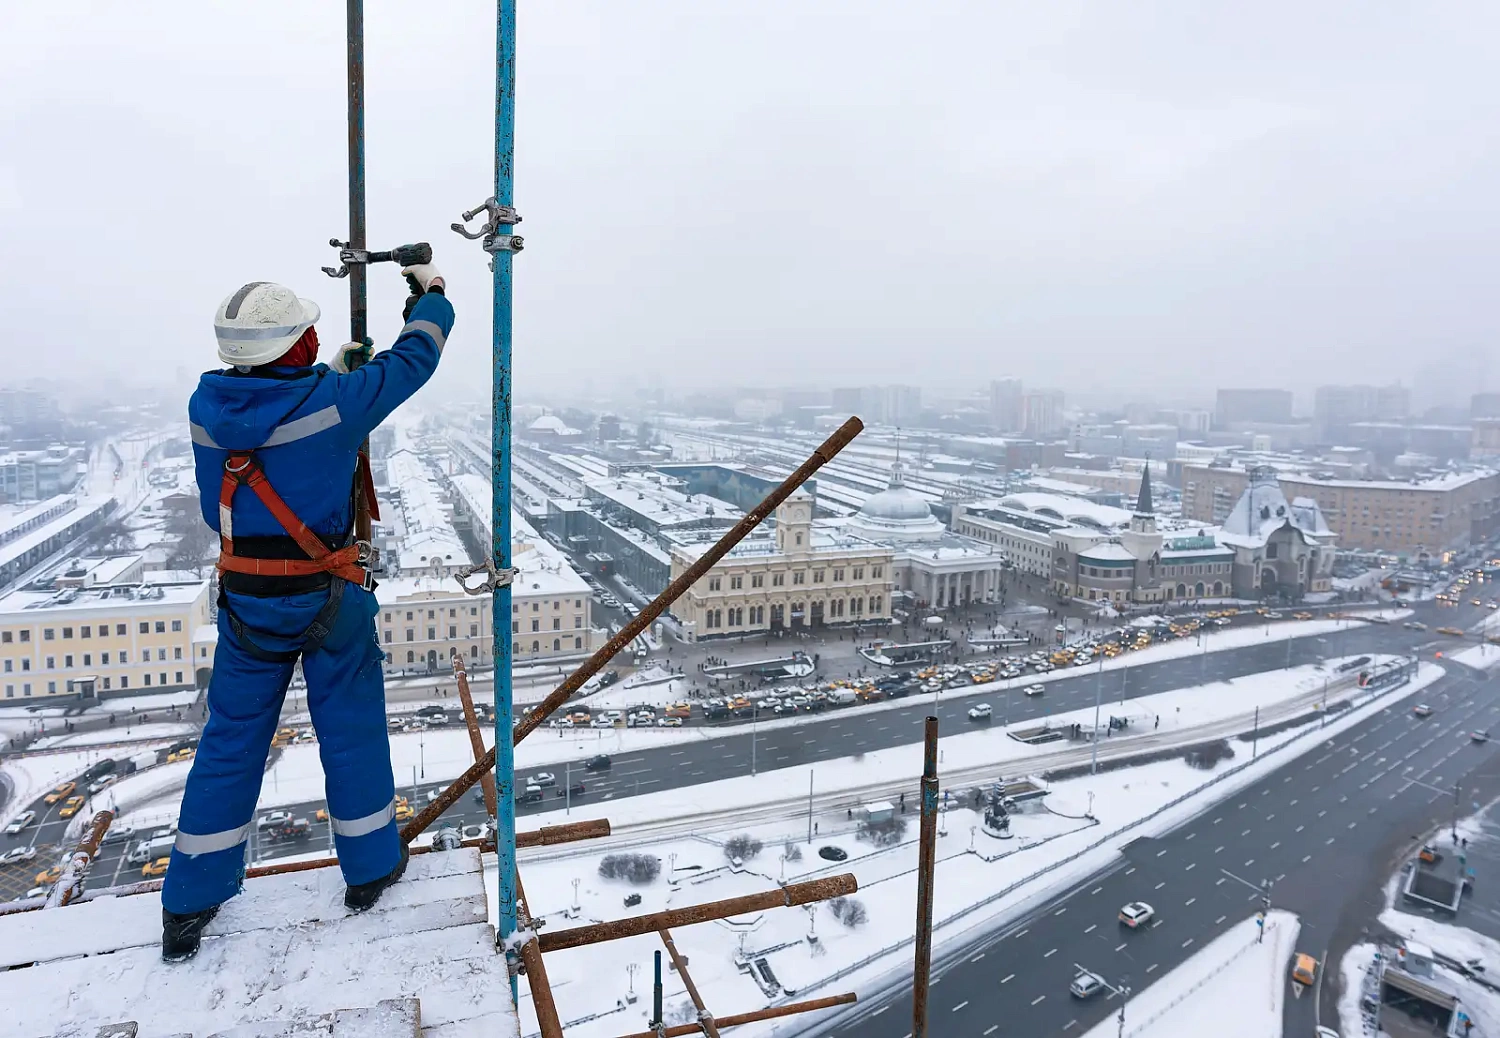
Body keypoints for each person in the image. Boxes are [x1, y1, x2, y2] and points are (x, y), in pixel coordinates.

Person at [160, 265, 453, 962]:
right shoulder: (336, 402)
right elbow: (417, 357)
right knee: (349, 734)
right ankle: (370, 868)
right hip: (327, 595)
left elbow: (279, 402)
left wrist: (330, 374)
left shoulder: (206, 405)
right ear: (298, 343)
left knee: (230, 744)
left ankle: (188, 902)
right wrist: (429, 292)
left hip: (247, 601)